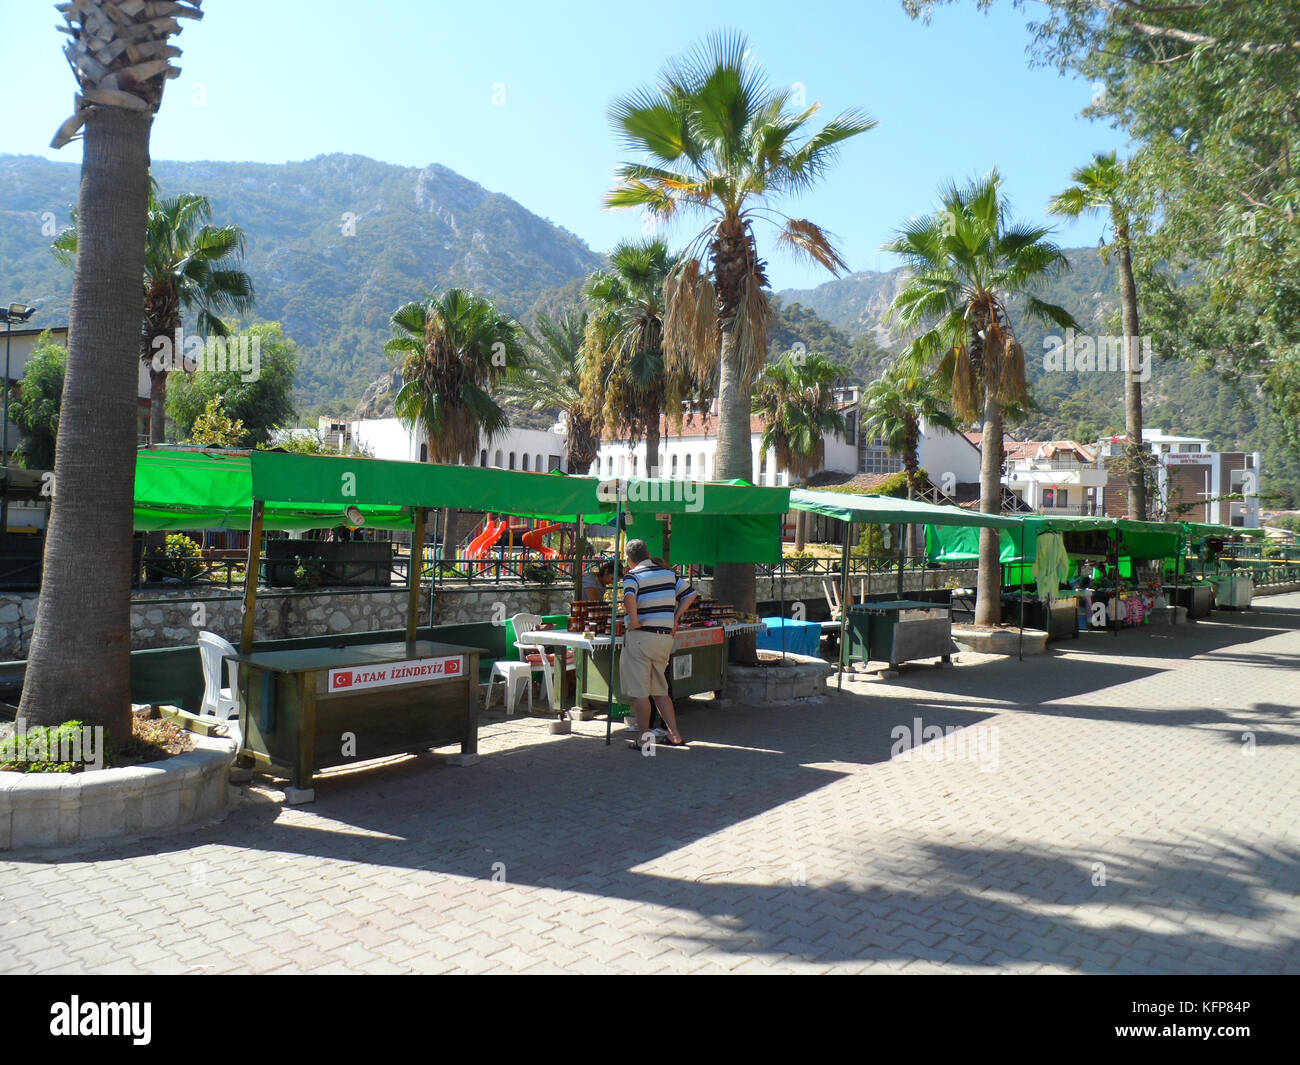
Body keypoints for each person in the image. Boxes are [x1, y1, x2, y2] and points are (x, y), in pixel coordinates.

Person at [621, 539, 696, 748]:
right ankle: (675, 736)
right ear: (648, 554)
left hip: (642, 637)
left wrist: (634, 620)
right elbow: (691, 594)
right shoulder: (668, 574)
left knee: (641, 692)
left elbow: (629, 598)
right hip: (664, 638)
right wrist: (675, 617)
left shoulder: (633, 575)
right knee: (660, 690)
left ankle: (644, 740)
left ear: (629, 559)